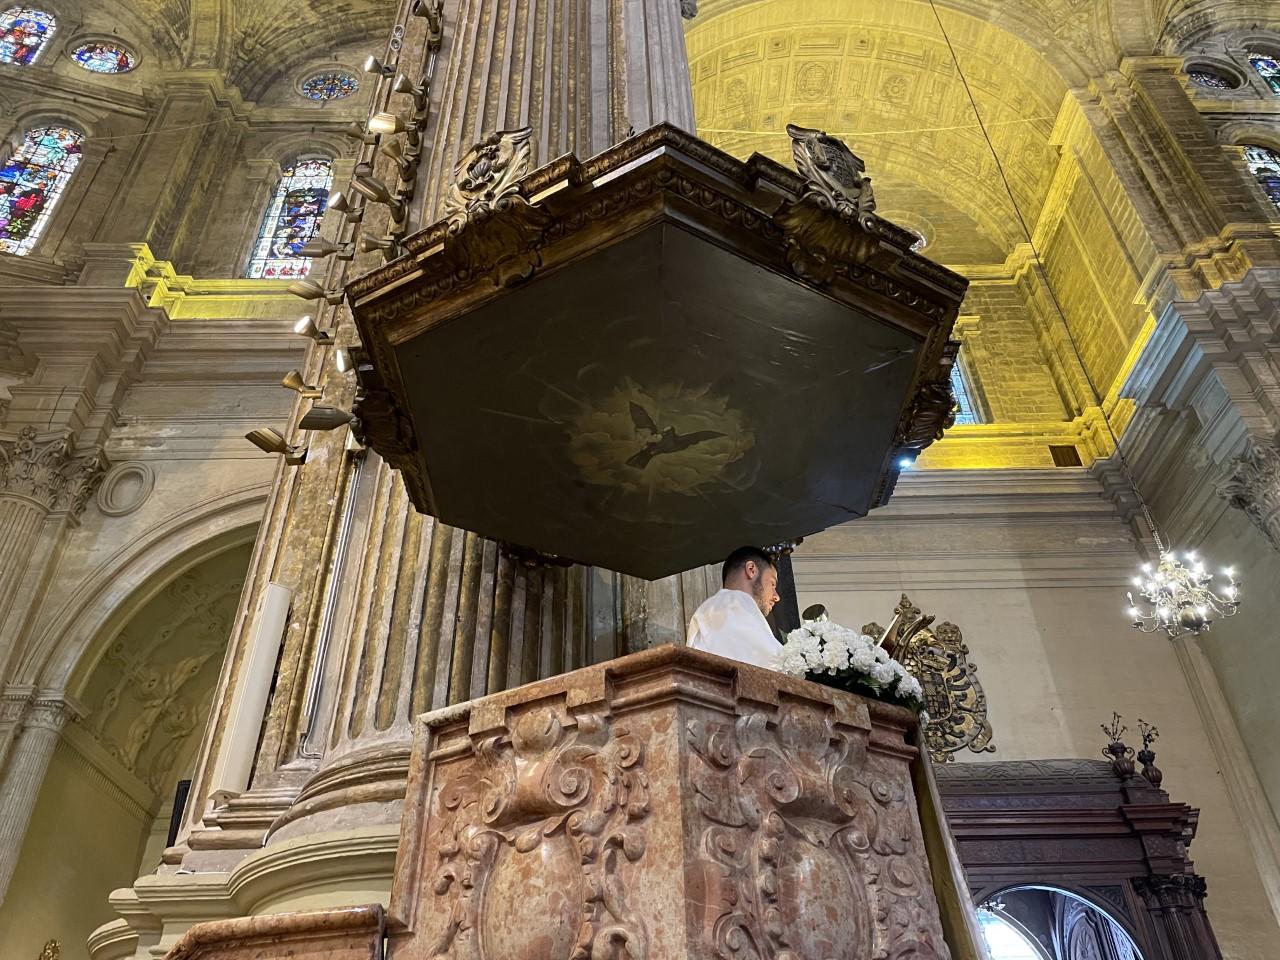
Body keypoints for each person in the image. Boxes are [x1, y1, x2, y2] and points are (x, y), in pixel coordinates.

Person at [686, 545, 783, 668]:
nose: (776, 597)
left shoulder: (711, 608)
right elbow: (774, 664)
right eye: (772, 584)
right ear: (751, 570)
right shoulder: (735, 602)